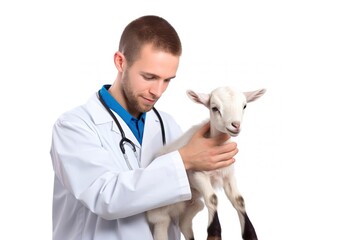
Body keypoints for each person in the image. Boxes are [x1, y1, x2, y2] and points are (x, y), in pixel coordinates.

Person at [50, 15, 238, 240]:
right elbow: (105, 198)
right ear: (121, 62)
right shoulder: (74, 126)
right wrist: (185, 159)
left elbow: (174, 206)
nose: (158, 91)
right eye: (149, 77)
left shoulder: (167, 125)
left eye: (167, 80)